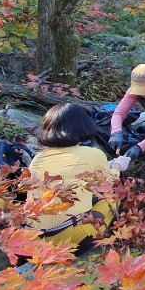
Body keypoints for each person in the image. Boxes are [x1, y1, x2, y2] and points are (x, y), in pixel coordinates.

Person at [28, 103, 120, 251]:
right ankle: (106, 242)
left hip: (37, 240)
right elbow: (109, 184)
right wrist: (117, 167)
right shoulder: (91, 154)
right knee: (113, 195)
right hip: (71, 238)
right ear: (83, 126)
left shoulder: (37, 158)